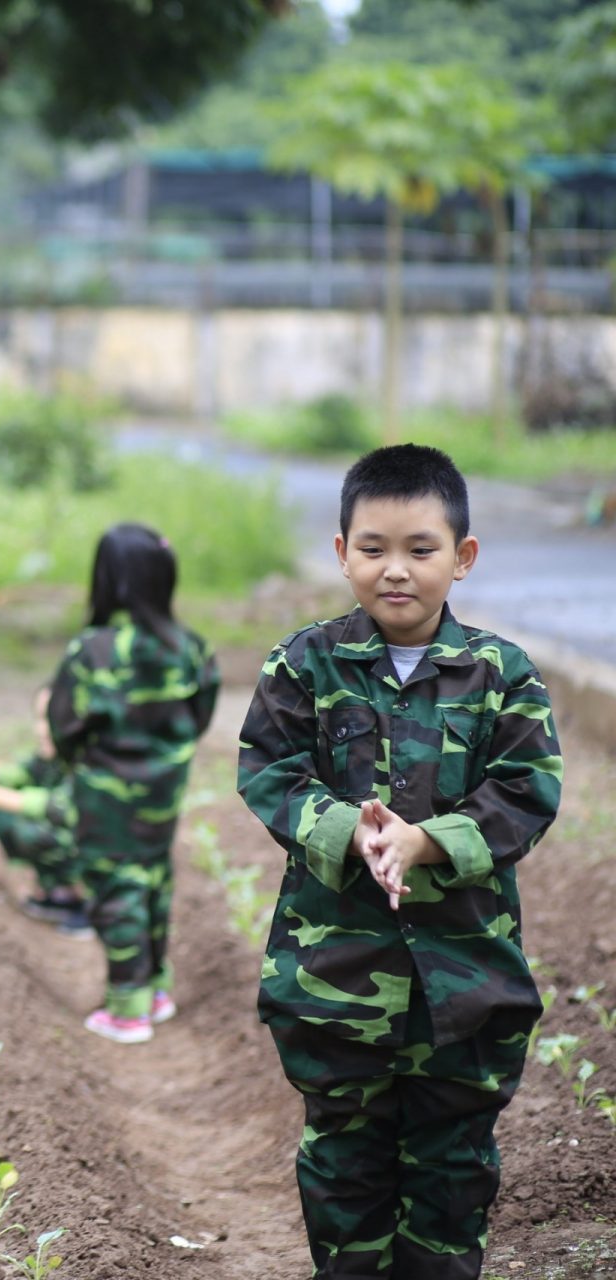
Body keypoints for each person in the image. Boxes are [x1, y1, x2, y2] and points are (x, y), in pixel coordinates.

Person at [238, 444, 563, 1280]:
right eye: (373, 548)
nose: (396, 571)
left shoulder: (502, 675)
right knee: (344, 1167)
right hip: (334, 976)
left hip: (466, 978)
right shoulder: (302, 666)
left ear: (463, 558)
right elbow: (269, 770)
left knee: (453, 1166)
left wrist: (428, 841)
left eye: (421, 550)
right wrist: (348, 828)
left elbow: (527, 789)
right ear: (341, 552)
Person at [49, 522, 220, 1045]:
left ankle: (127, 1007)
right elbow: (202, 713)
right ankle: (156, 986)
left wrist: (87, 759)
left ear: (109, 581)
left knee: (115, 891)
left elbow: (63, 727)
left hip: (106, 802)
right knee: (153, 883)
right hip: (163, 796)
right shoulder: (190, 647)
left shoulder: (94, 650)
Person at [0, 688, 89, 936]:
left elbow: (54, 806)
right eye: (39, 719)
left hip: (105, 850)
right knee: (4, 817)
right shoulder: (54, 754)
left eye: (49, 719)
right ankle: (58, 893)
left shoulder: (90, 761)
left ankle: (89, 904)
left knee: (35, 829)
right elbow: (15, 776)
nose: (40, 729)